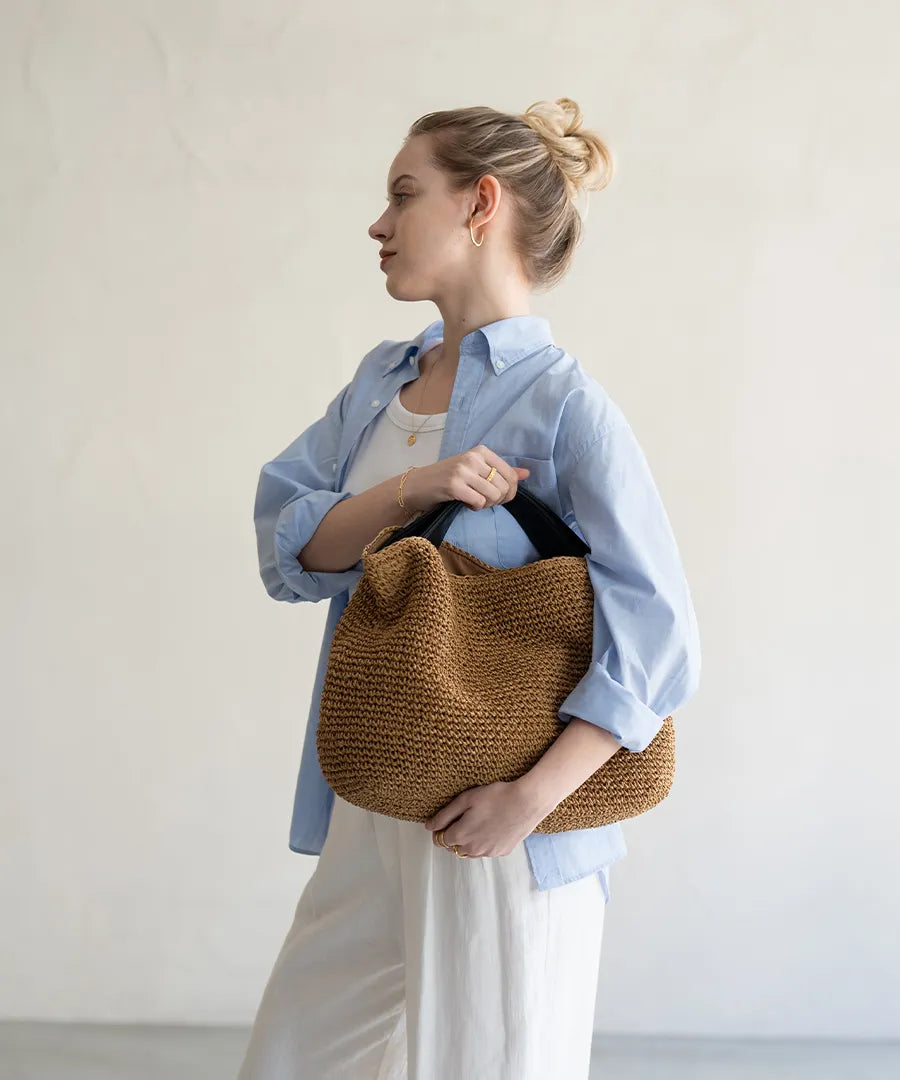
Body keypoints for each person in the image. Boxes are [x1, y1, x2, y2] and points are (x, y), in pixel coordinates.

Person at [240, 98, 702, 1079]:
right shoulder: (382, 381)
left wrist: (529, 802)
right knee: (293, 1058)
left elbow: (660, 633)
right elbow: (293, 550)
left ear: (479, 202)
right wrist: (414, 488)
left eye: (404, 194)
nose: (378, 223)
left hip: (501, 822)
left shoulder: (563, 400)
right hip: (375, 794)